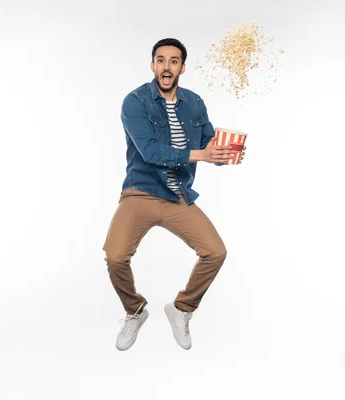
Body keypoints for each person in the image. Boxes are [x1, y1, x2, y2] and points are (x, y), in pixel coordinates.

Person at [103, 38, 246, 351]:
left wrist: (224, 153)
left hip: (177, 193)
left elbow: (206, 146)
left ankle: (181, 309)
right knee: (115, 257)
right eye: (160, 60)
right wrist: (201, 155)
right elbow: (151, 151)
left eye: (173, 61)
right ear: (153, 64)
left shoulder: (194, 103)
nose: (166, 66)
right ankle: (134, 311)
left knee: (215, 251)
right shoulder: (135, 102)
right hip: (140, 191)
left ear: (182, 67)